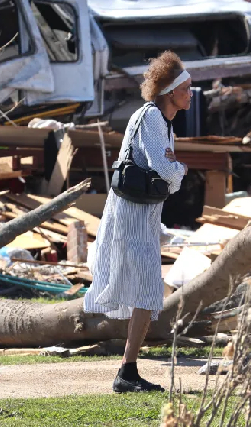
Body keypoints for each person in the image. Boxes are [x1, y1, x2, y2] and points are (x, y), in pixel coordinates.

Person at [84, 50, 192, 393]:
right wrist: (181, 170)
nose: (191, 93)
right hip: (132, 215)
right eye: (187, 88)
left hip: (141, 215)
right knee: (146, 291)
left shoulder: (161, 122)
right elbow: (166, 170)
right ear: (171, 92)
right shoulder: (152, 120)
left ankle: (128, 369)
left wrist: (173, 170)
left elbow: (165, 173)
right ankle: (127, 371)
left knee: (145, 291)